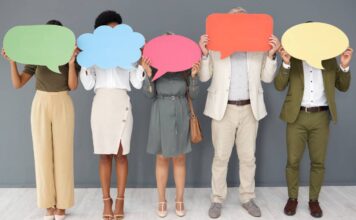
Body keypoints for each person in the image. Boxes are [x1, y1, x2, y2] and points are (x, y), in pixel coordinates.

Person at [198, 7, 280, 218]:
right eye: (234, 20)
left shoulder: (258, 48)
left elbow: (267, 78)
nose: (238, 25)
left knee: (248, 158)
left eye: (243, 21)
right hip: (223, 110)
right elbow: (204, 77)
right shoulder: (215, 47)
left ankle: (247, 197)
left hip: (249, 110)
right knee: (220, 157)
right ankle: (217, 200)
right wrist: (205, 54)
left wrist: (271, 55)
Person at [2, 20, 80, 220]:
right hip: (40, 103)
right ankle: (48, 205)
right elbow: (18, 83)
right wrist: (12, 62)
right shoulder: (36, 56)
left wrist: (71, 64)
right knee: (42, 154)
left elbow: (73, 86)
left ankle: (62, 206)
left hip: (63, 101)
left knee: (63, 155)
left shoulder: (69, 56)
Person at [275, 37, 353, 218]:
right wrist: (285, 64)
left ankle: (314, 201)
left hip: (321, 118)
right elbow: (279, 86)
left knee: (318, 162)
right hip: (296, 117)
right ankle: (292, 198)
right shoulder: (292, 59)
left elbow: (343, 86)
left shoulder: (330, 60)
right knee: (292, 161)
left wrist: (344, 66)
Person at [79, 10, 145, 220]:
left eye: (116, 29)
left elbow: (136, 83)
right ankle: (106, 201)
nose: (112, 34)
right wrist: (84, 60)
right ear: (99, 33)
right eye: (108, 30)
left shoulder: (129, 53)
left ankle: (121, 201)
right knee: (104, 154)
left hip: (121, 101)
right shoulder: (93, 56)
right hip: (101, 103)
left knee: (121, 153)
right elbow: (89, 85)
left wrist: (141, 62)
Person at [141, 47, 200, 217]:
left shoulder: (185, 69)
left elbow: (194, 95)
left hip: (181, 110)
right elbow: (148, 94)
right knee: (161, 156)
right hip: (161, 111)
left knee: (180, 157)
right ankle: (161, 200)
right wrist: (148, 73)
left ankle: (179, 199)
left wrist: (194, 76)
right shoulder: (156, 69)